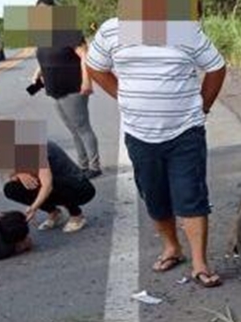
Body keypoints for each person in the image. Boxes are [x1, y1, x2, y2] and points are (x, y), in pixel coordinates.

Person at [86, 7, 227, 288]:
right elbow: (95, 66)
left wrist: (204, 106)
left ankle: (200, 263)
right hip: (139, 134)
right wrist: (122, 95)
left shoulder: (182, 28)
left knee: (191, 195)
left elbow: (216, 67)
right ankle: (172, 247)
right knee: (155, 196)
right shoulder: (113, 29)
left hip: (185, 132)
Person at [31, 0, 102, 179]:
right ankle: (83, 165)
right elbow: (46, 56)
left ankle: (94, 166)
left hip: (73, 86)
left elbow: (84, 55)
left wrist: (87, 82)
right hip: (54, 87)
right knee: (73, 129)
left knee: (82, 127)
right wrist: (37, 73)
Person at [3, 140, 96, 233]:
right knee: (11, 188)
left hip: (79, 187)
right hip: (53, 183)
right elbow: (9, 175)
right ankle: (54, 213)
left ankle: (77, 215)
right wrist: (20, 173)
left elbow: (47, 185)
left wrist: (33, 207)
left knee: (52, 181)